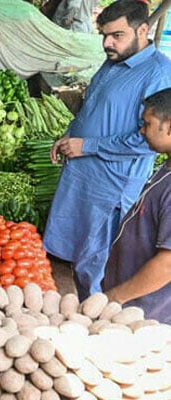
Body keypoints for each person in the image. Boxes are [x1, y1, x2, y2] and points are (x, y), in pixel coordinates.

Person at [45, 0, 171, 301]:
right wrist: (70, 134)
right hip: (81, 176)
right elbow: (93, 107)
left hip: (109, 186)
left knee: (97, 260)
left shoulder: (158, 74)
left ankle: (97, 320)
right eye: (103, 35)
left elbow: (145, 140)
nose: (107, 43)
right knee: (77, 252)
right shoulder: (113, 60)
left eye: (116, 35)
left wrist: (87, 145)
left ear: (143, 30)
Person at [102, 88, 171, 324]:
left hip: (147, 313)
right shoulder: (166, 167)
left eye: (148, 123)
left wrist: (115, 297)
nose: (142, 130)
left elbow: (167, 263)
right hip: (132, 303)